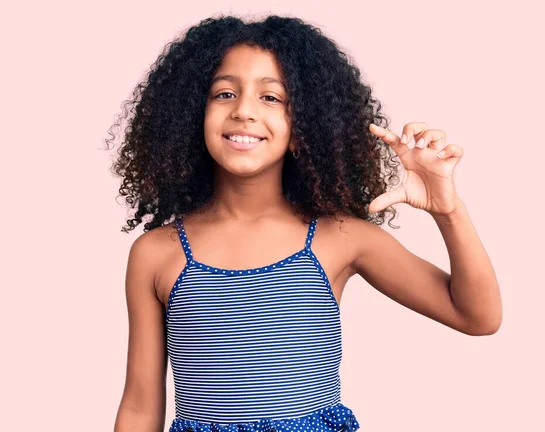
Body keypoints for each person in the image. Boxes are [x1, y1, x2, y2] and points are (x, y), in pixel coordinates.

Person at [108, 14, 502, 432]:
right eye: (224, 93)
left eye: (271, 98)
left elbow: (477, 316)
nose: (244, 111)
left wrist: (448, 211)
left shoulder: (340, 238)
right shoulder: (157, 254)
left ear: (303, 127)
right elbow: (139, 407)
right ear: (193, 115)